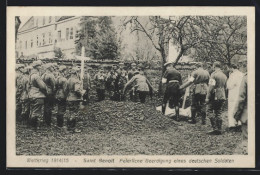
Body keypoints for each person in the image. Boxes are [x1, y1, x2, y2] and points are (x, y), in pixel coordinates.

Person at [206, 61, 227, 135]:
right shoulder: (224, 75)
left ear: (214, 66)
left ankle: (214, 128)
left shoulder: (213, 74)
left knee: (209, 110)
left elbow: (211, 87)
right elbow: (225, 87)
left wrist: (207, 97)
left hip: (215, 95)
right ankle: (219, 129)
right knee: (218, 112)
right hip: (222, 95)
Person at [28, 60, 47, 130]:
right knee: (36, 111)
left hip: (32, 94)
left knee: (32, 110)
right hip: (37, 94)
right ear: (37, 66)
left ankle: (30, 125)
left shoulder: (31, 75)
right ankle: (34, 127)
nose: (41, 67)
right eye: (40, 65)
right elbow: (42, 86)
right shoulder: (36, 76)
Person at [226, 64, 244, 131]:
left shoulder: (233, 75)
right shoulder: (242, 74)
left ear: (231, 68)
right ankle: (239, 122)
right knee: (239, 108)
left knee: (231, 108)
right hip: (240, 93)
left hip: (233, 93)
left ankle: (232, 124)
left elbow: (229, 85)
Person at [233, 73, 248, 154]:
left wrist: (236, 115)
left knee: (247, 141)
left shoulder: (247, 77)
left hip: (249, 114)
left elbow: (241, 99)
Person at [66, 67, 82, 133]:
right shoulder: (76, 80)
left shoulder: (68, 79)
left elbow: (66, 89)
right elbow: (77, 90)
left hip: (69, 97)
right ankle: (73, 128)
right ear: (76, 73)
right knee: (74, 113)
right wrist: (82, 93)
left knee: (70, 112)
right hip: (75, 98)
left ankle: (68, 127)